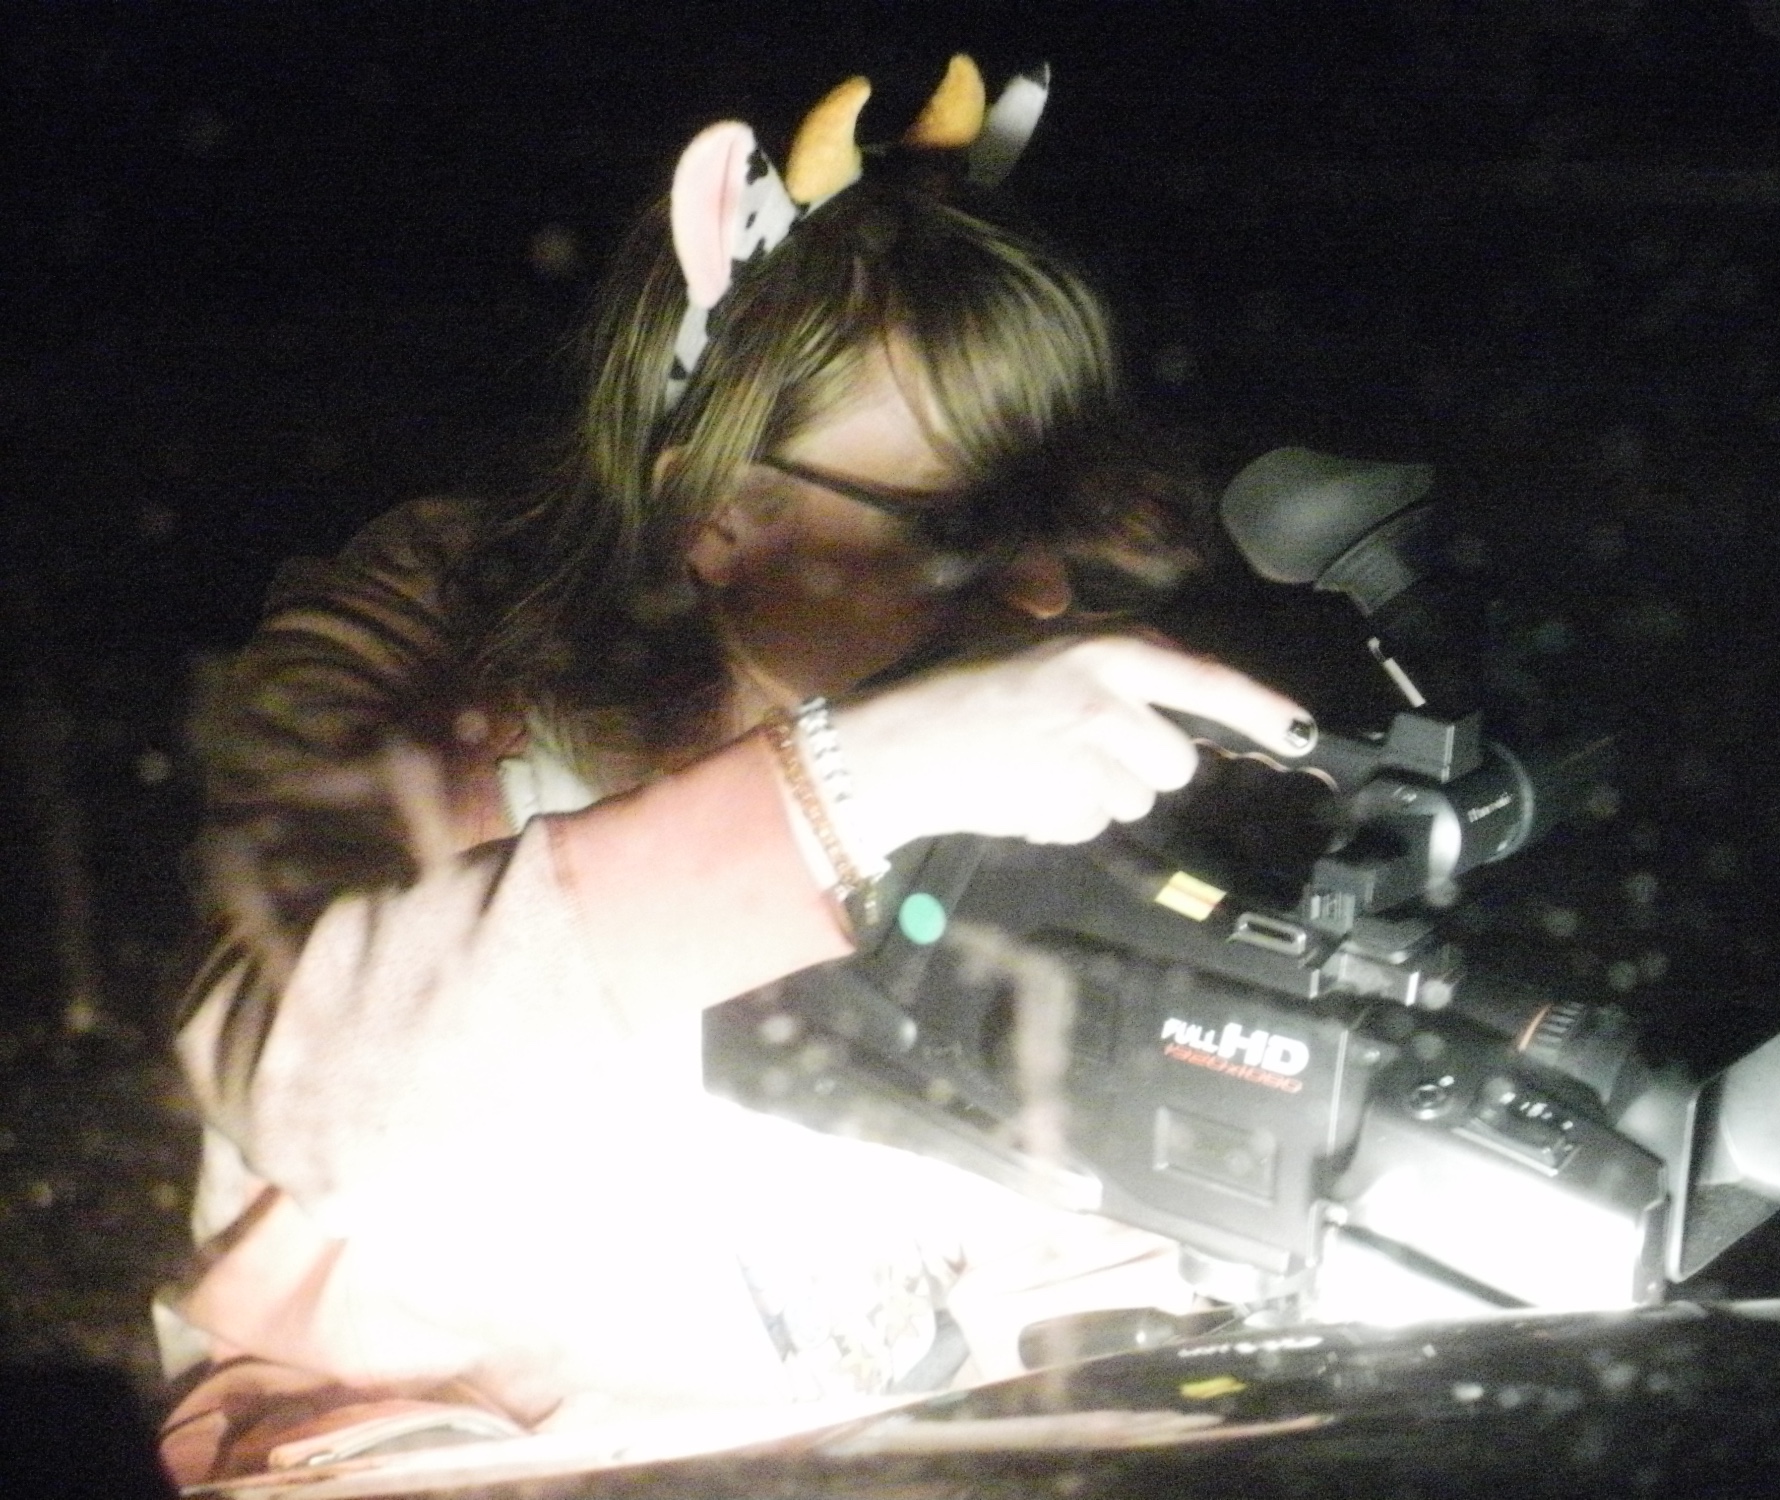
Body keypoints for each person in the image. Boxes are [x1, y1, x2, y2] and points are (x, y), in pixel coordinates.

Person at [154, 57, 1313, 1486]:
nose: (1042, 595)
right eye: (963, 524)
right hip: (402, 1440)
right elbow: (307, 1082)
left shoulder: (982, 741)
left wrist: (1137, 1347)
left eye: (1056, 518)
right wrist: (846, 789)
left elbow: (1058, 1227)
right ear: (715, 505)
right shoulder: (418, 642)